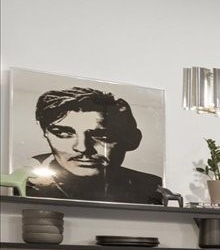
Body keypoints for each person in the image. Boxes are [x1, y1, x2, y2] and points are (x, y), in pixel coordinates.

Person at [24, 85, 162, 202]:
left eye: (102, 135)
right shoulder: (23, 183)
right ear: (45, 133)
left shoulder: (153, 188)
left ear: (132, 140)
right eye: (63, 133)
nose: (82, 148)